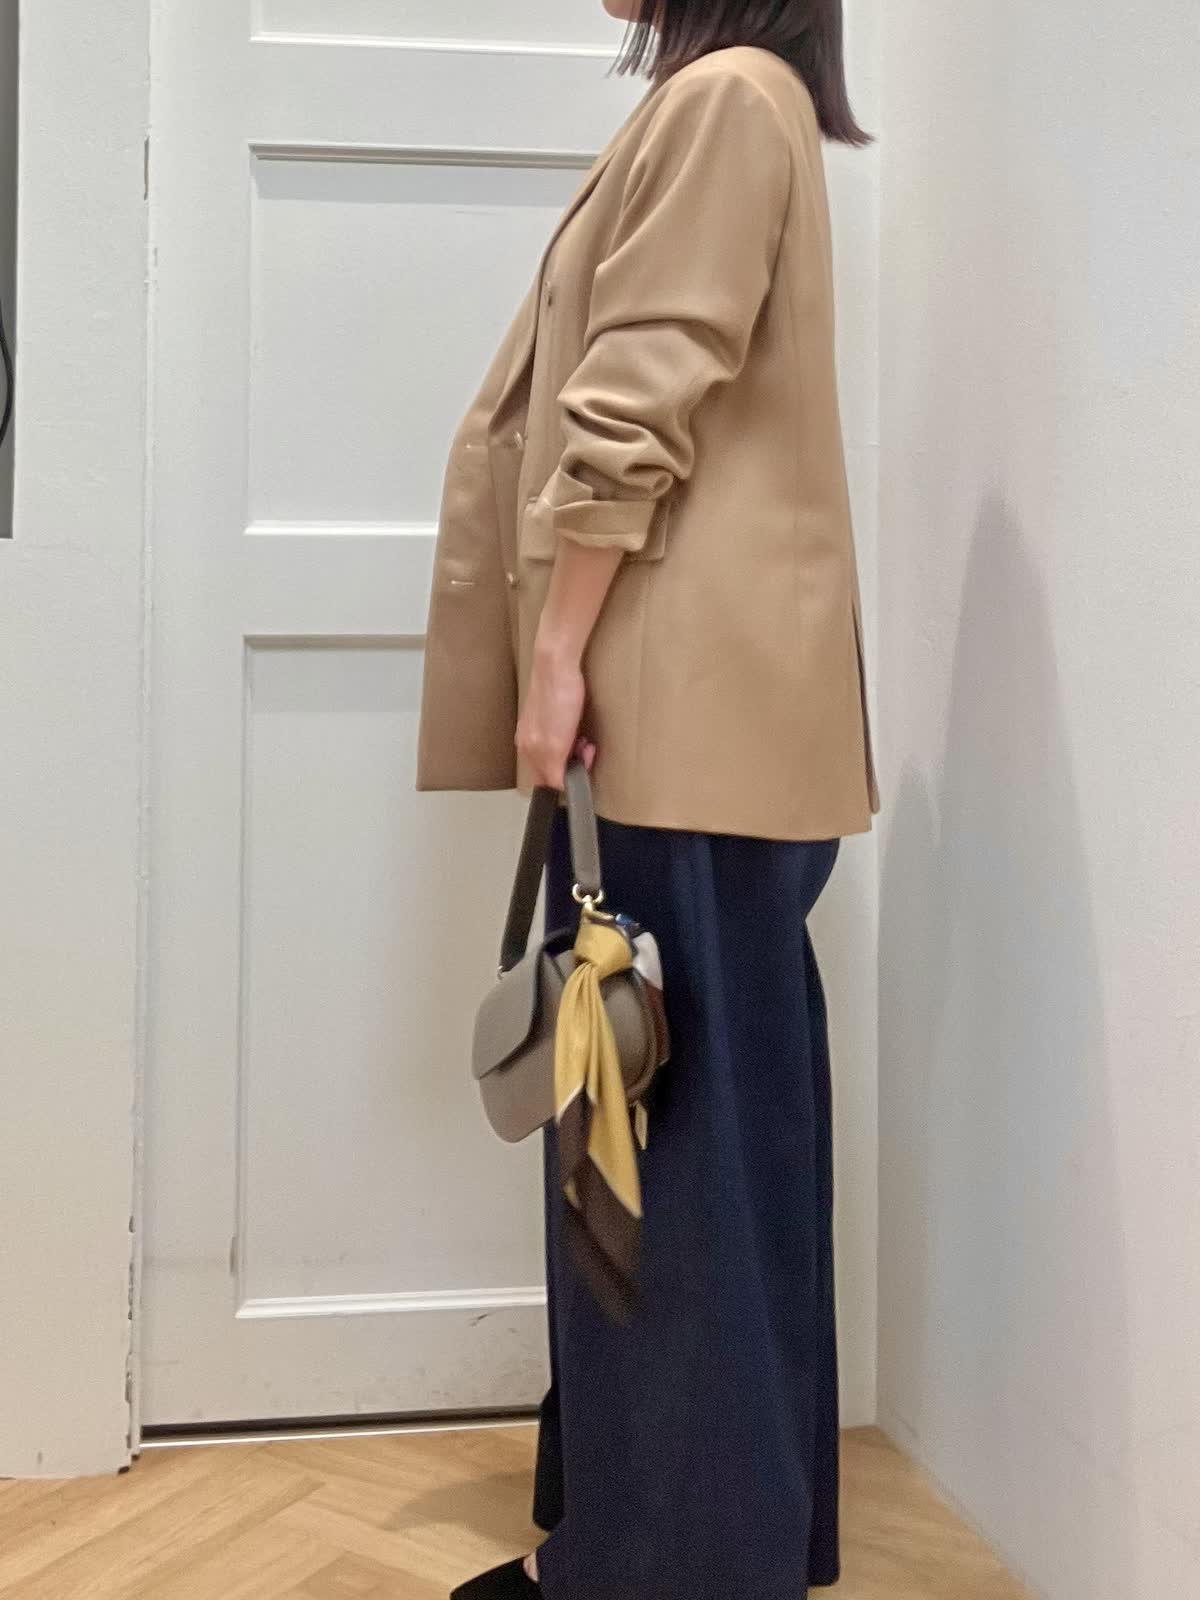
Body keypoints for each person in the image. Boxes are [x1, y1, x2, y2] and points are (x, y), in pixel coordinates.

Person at [416, 3, 879, 1595]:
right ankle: (713, 1541)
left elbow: (637, 395)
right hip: (710, 716)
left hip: (681, 713)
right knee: (710, 1137)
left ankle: (653, 1567)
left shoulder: (727, 100)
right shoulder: (738, 97)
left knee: (659, 1152)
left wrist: (557, 655)